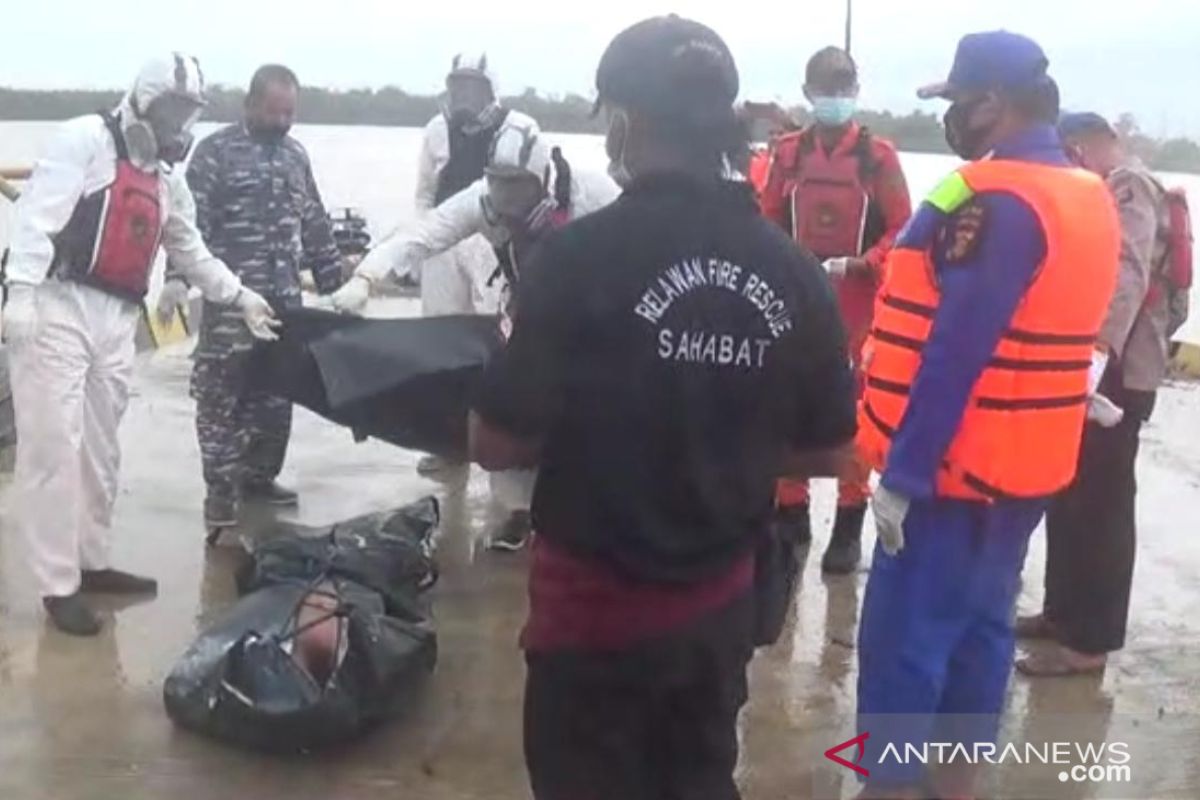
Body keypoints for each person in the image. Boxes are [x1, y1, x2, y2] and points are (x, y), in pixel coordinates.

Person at [466, 15, 857, 798]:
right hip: (715, 619)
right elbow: (829, 453)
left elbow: (495, 442)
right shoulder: (796, 274)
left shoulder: (575, 259)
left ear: (628, 121)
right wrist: (719, 432)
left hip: (591, 624)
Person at [853, 33, 1120, 797]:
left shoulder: (999, 203)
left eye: (956, 104)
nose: (952, 120)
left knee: (907, 641)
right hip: (1025, 465)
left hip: (952, 473)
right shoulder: (1078, 188)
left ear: (992, 105)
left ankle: (892, 788)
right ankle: (956, 785)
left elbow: (957, 348)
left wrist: (903, 474)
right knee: (982, 628)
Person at [1, 54, 278, 637]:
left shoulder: (167, 178)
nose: (180, 124)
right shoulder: (84, 140)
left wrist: (240, 295)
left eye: (188, 113)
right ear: (143, 103)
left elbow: (190, 249)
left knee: (101, 447)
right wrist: (20, 291)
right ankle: (57, 585)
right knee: (53, 448)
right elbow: (33, 220)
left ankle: (92, 560)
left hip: (117, 315)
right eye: (172, 110)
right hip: (58, 305)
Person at [332, 117, 618, 551]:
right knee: (511, 398)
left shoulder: (594, 194)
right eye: (499, 185)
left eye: (518, 187)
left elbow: (646, 240)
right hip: (529, 303)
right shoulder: (479, 202)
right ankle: (520, 513)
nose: (507, 200)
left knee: (596, 413)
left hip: (597, 307)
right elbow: (423, 235)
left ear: (541, 177)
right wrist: (368, 277)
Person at [1015, 112, 1188, 676]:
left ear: (1077, 149)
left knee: (1102, 507)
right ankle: (1061, 612)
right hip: (1098, 367)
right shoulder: (1120, 184)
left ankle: (1089, 644)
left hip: (1116, 372)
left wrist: (1095, 354)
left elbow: (1128, 272)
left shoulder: (1129, 186)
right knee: (1069, 493)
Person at [158, 64, 346, 532]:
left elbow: (315, 221)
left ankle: (259, 479)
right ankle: (220, 494)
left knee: (276, 397)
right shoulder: (214, 153)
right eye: (274, 110)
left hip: (284, 304)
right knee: (221, 400)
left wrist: (335, 284)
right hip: (229, 302)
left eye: (290, 112)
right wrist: (177, 279)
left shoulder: (296, 156)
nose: (282, 121)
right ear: (250, 104)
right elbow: (185, 226)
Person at [760, 46, 912, 574]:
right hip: (796, 295)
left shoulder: (879, 158)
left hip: (859, 300)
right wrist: (786, 264)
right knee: (784, 401)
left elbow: (903, 228)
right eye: (827, 86)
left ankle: (848, 525)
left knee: (858, 412)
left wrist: (863, 263)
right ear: (807, 92)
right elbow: (766, 220)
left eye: (845, 85)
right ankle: (790, 512)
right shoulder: (786, 154)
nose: (836, 96)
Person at [409, 52, 539, 477]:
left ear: (489, 88)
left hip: (489, 238)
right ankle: (447, 444)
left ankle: (496, 441)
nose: (464, 93)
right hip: (444, 240)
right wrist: (417, 249)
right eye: (458, 84)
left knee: (492, 342)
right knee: (439, 343)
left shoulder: (519, 127)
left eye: (473, 85)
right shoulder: (435, 129)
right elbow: (424, 193)